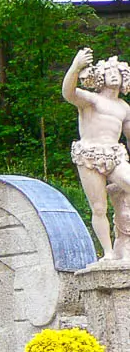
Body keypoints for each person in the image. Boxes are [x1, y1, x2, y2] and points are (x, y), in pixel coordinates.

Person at [62, 47, 130, 260]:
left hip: (114, 155)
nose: (113, 75)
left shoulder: (124, 108)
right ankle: (108, 252)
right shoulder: (91, 99)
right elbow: (68, 93)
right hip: (89, 154)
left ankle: (124, 237)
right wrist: (76, 67)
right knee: (99, 208)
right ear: (101, 76)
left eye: (117, 72)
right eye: (109, 72)